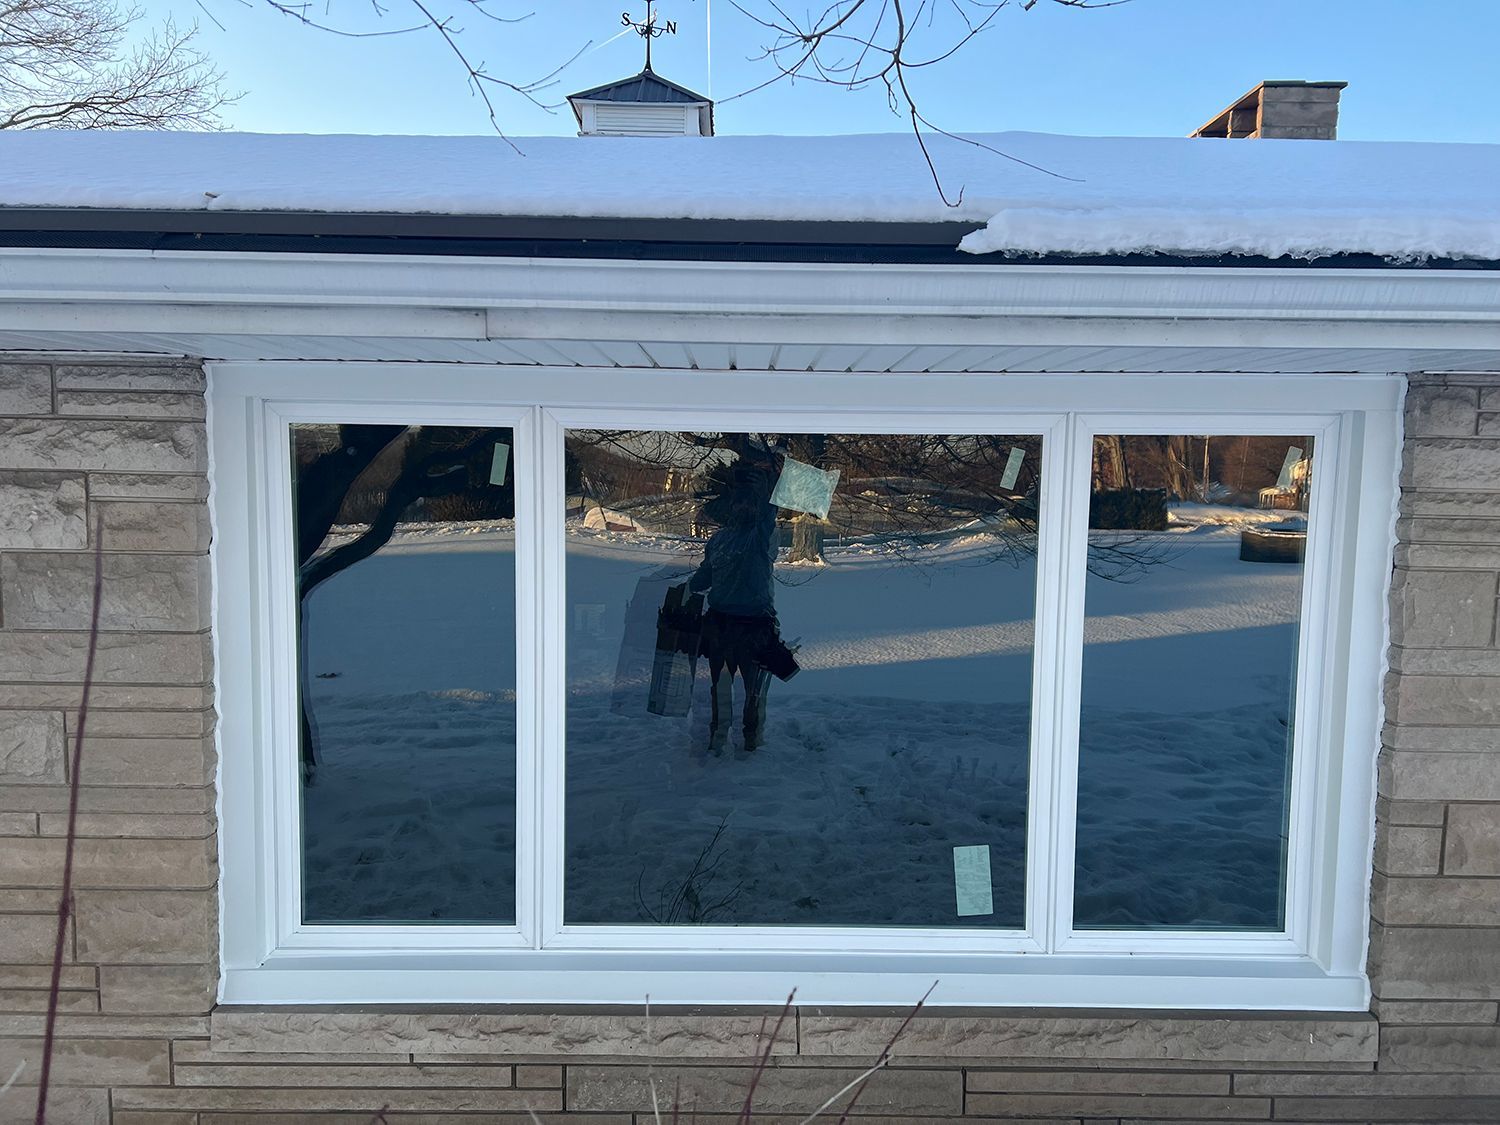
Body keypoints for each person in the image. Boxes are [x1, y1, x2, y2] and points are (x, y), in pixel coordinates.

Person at [689, 461, 795, 750]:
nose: (742, 510)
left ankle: (733, 738)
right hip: (737, 627)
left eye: (746, 505)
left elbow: (700, 581)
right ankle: (735, 740)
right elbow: (705, 574)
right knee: (738, 690)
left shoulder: (740, 538)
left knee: (735, 689)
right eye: (740, 505)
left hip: (736, 628)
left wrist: (772, 478)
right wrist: (688, 588)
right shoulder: (737, 539)